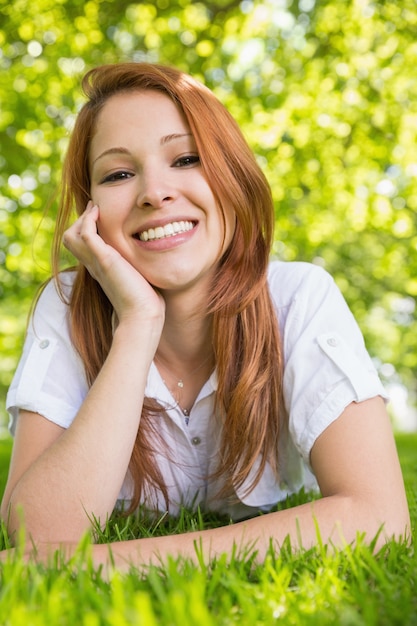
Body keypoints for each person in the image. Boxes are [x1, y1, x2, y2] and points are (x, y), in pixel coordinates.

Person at [0, 63, 410, 571]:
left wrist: (112, 563)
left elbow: (379, 516)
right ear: (91, 212)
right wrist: (138, 325)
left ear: (232, 178)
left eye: (186, 158)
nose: (154, 192)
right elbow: (37, 534)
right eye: (119, 174)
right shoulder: (65, 305)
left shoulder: (299, 298)